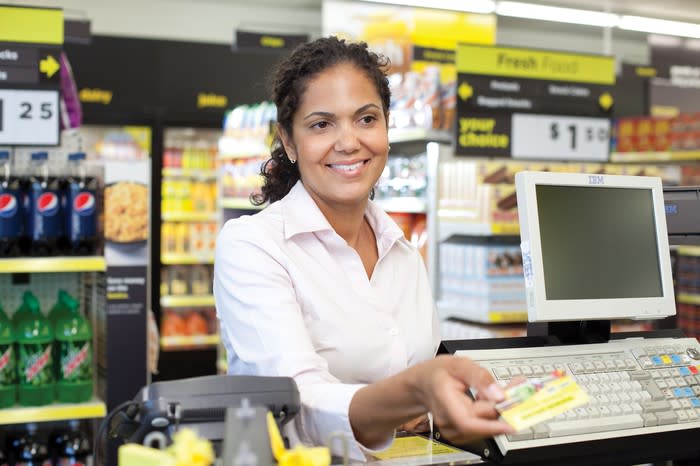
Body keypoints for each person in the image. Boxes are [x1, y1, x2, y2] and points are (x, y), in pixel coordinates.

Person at [213, 36, 514, 461]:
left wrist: (445, 408)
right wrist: (415, 393)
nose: (349, 141)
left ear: (387, 126)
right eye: (321, 124)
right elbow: (295, 406)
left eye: (366, 119)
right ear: (290, 141)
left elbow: (422, 410)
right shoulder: (253, 246)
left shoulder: (403, 254)